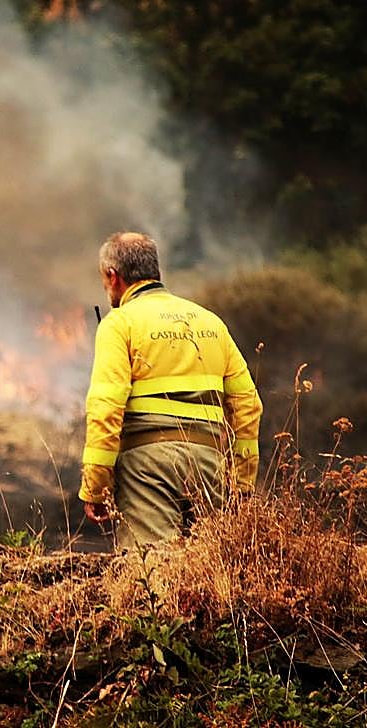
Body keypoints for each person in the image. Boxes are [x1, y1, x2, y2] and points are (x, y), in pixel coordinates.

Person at [80, 232, 263, 548]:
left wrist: (95, 486)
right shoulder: (211, 322)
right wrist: (241, 483)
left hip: (146, 469)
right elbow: (248, 404)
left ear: (113, 276)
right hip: (209, 465)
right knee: (209, 569)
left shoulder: (119, 324)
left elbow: (106, 408)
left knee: (152, 568)